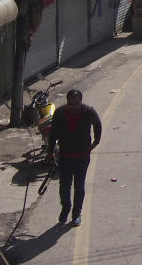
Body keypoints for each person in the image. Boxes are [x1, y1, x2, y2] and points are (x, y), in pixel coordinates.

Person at [48, 90, 102, 227]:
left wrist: (94, 144)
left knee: (79, 186)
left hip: (82, 158)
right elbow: (53, 133)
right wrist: (50, 152)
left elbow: (98, 126)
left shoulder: (89, 112)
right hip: (65, 156)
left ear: (81, 102)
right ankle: (66, 208)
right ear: (67, 102)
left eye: (76, 104)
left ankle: (76, 213)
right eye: (71, 104)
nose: (73, 107)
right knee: (64, 187)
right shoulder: (60, 113)